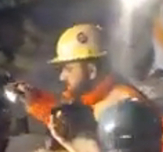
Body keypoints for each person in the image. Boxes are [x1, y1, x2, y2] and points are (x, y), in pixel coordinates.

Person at [14, 24, 148, 125]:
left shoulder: (124, 105)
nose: (62, 77)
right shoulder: (92, 99)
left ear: (91, 71)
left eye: (68, 69)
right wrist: (36, 100)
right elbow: (67, 121)